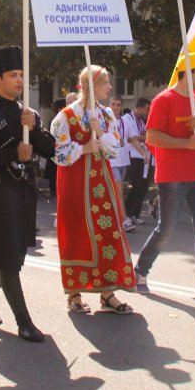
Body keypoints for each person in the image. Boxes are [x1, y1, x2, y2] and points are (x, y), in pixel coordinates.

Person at [0, 46, 56, 343]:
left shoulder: (25, 113)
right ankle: (24, 322)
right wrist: (11, 154)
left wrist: (36, 130)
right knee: (6, 256)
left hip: (23, 190)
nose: (19, 81)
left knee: (13, 255)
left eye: (21, 75)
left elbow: (49, 149)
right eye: (13, 75)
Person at [133, 53, 195, 299]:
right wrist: (185, 143)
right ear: (189, 72)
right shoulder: (163, 99)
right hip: (172, 176)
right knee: (165, 229)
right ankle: (139, 272)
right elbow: (152, 137)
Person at [50, 65, 136, 314]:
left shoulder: (107, 114)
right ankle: (74, 293)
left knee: (108, 231)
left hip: (102, 183)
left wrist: (99, 132)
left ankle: (107, 294)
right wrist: (84, 148)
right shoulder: (65, 116)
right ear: (91, 85)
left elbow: (113, 150)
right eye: (105, 83)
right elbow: (58, 153)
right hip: (75, 184)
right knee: (77, 232)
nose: (109, 87)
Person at [121, 97, 152, 228]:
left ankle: (135, 214)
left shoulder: (142, 121)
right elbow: (130, 137)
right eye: (146, 109)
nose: (148, 112)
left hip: (143, 156)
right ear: (139, 107)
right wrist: (143, 137)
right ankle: (127, 213)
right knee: (136, 185)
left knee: (144, 186)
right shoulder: (127, 119)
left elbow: (144, 135)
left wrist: (143, 137)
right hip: (132, 156)